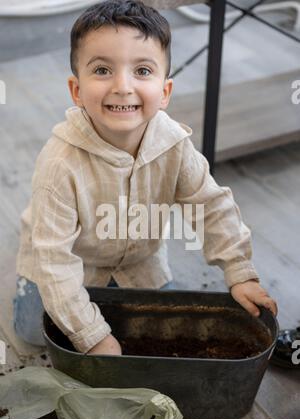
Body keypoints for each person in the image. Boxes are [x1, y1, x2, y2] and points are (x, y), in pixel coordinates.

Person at [13, 0, 277, 357]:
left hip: (138, 262)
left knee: (164, 328)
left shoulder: (174, 145)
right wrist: (91, 335)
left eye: (142, 71)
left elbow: (211, 205)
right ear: (76, 91)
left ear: (165, 92)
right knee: (34, 332)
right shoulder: (60, 163)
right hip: (72, 260)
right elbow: (54, 259)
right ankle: (26, 285)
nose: (123, 86)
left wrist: (239, 271)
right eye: (103, 70)